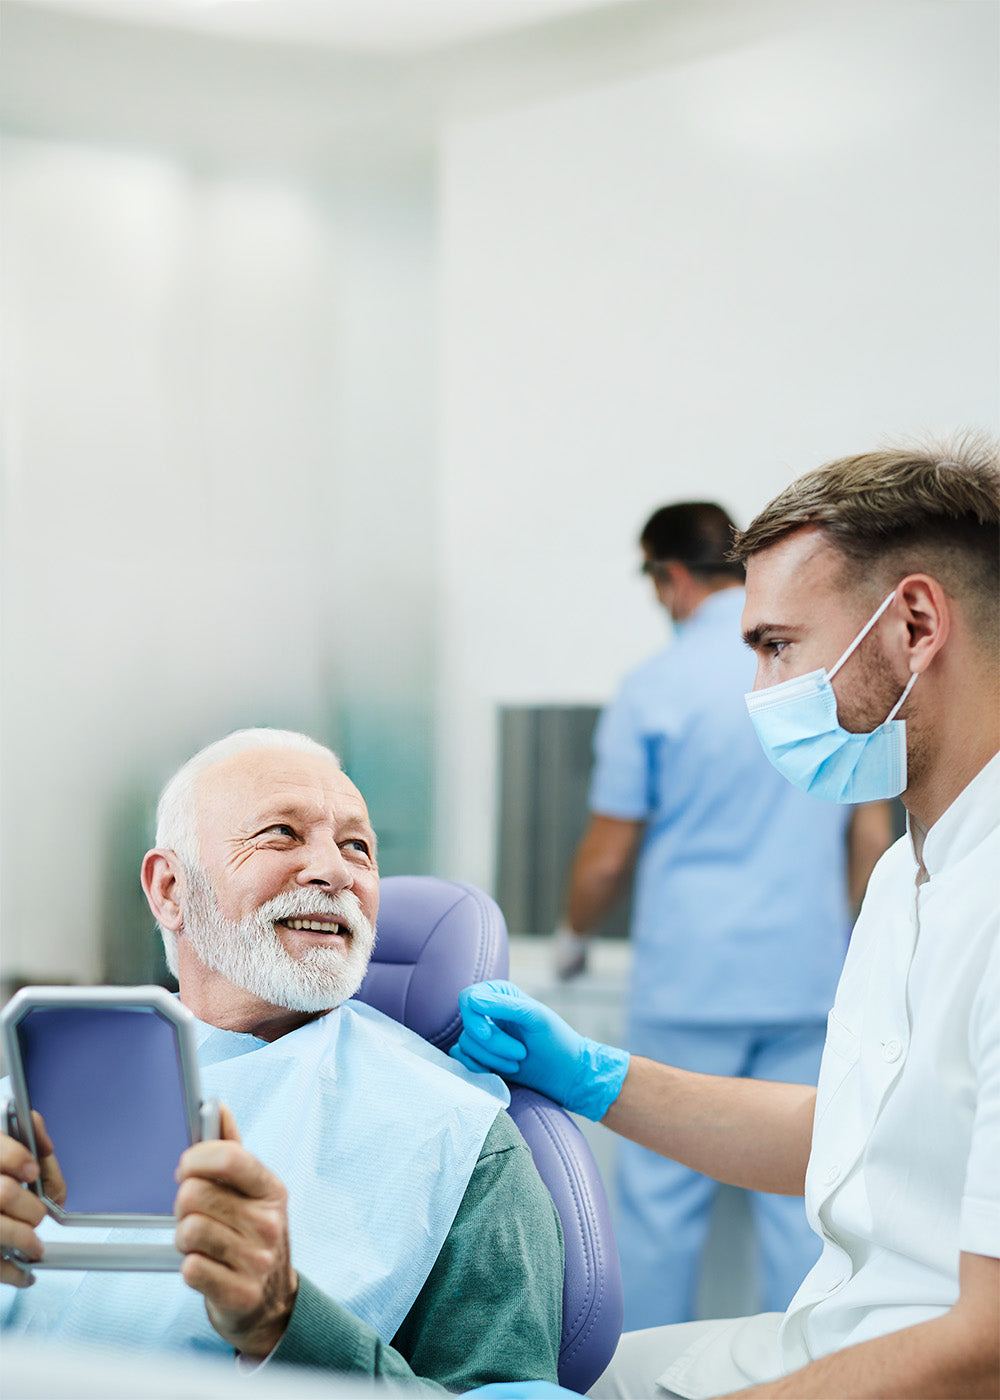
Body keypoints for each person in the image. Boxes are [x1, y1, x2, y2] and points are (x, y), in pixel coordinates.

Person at [455, 435, 999, 1399]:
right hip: (837, 1329)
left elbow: (984, 1344)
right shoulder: (909, 874)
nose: (760, 694)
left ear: (915, 623)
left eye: (777, 647)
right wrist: (595, 1077)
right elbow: (844, 1143)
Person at [1, 729, 563, 1393]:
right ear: (170, 888)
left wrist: (287, 1324)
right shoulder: (36, 1090)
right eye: (281, 834)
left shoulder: (463, 1141)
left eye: (357, 846)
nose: (336, 872)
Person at [553, 500, 890, 1328]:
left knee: (660, 1204)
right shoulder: (809, 675)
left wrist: (573, 938)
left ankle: (636, 1371)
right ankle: (806, 1373)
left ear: (670, 576)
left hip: (690, 982)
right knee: (809, 1192)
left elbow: (605, 855)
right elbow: (869, 831)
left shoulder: (653, 686)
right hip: (807, 973)